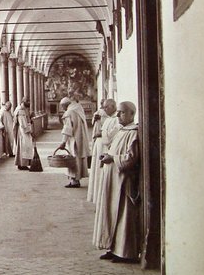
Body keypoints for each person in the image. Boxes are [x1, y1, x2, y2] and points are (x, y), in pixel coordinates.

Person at [96, 101, 141, 263]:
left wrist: (113, 158)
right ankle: (112, 247)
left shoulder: (134, 133)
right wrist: (108, 155)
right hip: (113, 179)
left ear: (131, 114)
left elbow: (131, 158)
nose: (118, 115)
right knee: (110, 213)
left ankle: (125, 252)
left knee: (123, 215)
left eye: (121, 112)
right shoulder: (122, 130)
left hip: (123, 181)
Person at [87, 99, 121, 203]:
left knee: (102, 174)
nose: (104, 109)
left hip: (105, 148)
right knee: (97, 173)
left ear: (113, 106)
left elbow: (113, 134)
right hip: (99, 147)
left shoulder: (117, 119)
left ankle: (102, 200)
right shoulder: (108, 118)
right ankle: (97, 198)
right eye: (104, 107)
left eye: (106, 107)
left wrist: (101, 134)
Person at [57, 93, 91, 188]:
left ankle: (74, 181)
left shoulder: (69, 112)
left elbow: (67, 129)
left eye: (62, 106)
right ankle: (76, 179)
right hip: (81, 138)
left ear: (66, 105)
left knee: (73, 159)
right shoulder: (78, 109)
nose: (62, 109)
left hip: (74, 140)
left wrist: (63, 142)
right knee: (78, 158)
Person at [13, 98, 34, 170]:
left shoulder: (22, 109)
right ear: (23, 102)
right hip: (23, 132)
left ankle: (22, 164)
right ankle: (22, 164)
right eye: (27, 102)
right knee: (24, 147)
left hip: (23, 131)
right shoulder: (20, 111)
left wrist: (30, 118)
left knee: (23, 148)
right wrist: (30, 130)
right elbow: (23, 124)